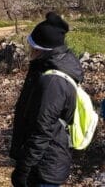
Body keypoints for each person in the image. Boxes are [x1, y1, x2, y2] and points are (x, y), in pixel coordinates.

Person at [10, 12, 83, 187]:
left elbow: (42, 130)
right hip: (46, 160)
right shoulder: (48, 66)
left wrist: (24, 168)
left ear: (42, 49)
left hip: (45, 165)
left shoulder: (53, 82)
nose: (29, 49)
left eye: (32, 46)